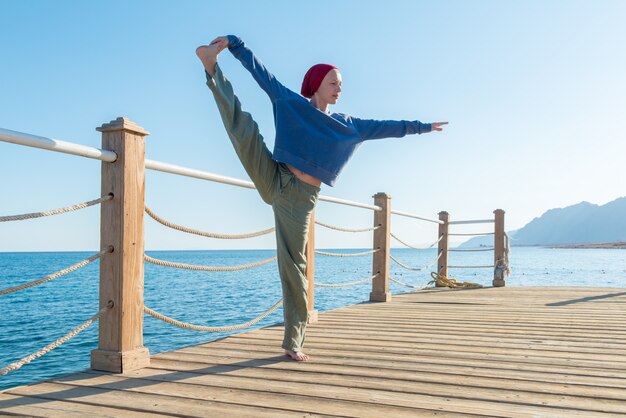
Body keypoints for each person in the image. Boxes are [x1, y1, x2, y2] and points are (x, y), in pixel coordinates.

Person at [196, 36, 447, 362]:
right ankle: (211, 67)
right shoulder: (290, 102)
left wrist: (423, 127)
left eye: (341, 84)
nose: (339, 89)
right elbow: (262, 75)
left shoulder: (349, 126)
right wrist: (235, 44)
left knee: (294, 269)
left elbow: (388, 126)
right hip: (274, 174)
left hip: (299, 199)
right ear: (316, 84)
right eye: (333, 82)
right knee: (242, 127)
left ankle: (293, 341)